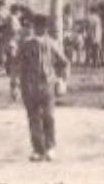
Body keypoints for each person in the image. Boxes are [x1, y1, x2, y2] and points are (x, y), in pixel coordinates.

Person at [14, 14, 70, 161]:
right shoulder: (26, 45)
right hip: (29, 86)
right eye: (37, 27)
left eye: (43, 27)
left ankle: (50, 147)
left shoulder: (52, 44)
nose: (40, 30)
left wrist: (62, 79)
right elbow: (16, 64)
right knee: (33, 118)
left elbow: (64, 62)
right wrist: (15, 85)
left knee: (49, 117)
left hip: (47, 85)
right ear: (34, 28)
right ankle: (38, 149)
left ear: (46, 29)